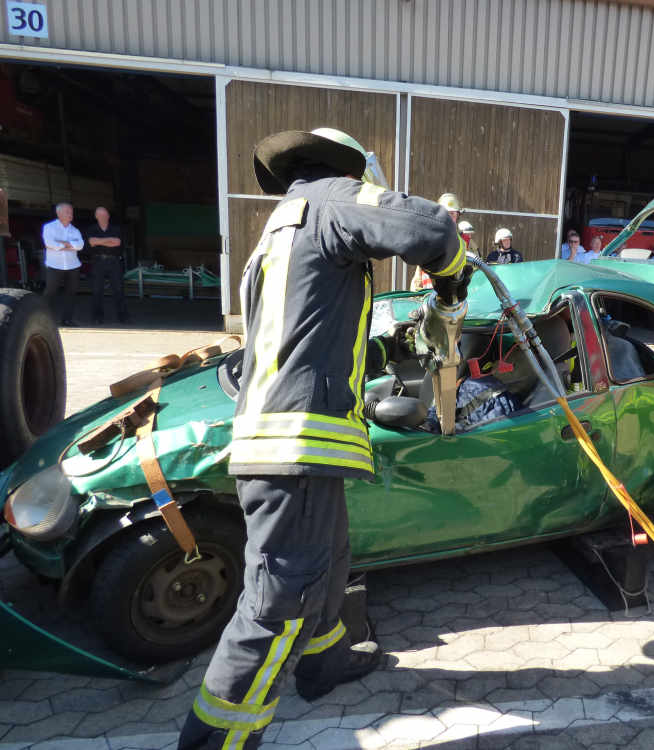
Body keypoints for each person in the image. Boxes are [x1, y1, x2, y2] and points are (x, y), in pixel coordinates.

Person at [178, 127, 469, 750]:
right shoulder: (334, 199)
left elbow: (307, 333)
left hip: (281, 437)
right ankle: (214, 739)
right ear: (351, 169)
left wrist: (379, 349)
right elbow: (435, 231)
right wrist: (451, 283)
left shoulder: (280, 230)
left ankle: (325, 660)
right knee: (279, 599)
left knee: (331, 559)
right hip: (295, 446)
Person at [410, 192, 469, 291]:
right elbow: (418, 279)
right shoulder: (429, 240)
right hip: (428, 297)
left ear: (458, 216)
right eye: (446, 214)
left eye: (452, 214)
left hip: (454, 300)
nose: (449, 218)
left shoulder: (464, 243)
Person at [41, 202, 84, 326]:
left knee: (71, 293)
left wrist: (61, 244)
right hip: (54, 265)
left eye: (71, 212)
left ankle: (67, 319)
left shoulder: (75, 230)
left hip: (73, 266)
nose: (71, 214)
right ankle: (43, 320)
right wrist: (70, 245)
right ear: (58, 213)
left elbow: (80, 246)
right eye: (67, 212)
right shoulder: (49, 227)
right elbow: (49, 243)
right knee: (50, 293)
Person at [85, 206, 128, 324]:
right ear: (96, 217)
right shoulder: (91, 229)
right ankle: (97, 317)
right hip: (98, 262)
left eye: (105, 215)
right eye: (100, 215)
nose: (103, 217)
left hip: (114, 261)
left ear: (108, 216)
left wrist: (99, 241)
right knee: (97, 290)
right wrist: (109, 240)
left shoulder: (116, 229)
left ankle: (123, 317)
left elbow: (118, 243)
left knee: (119, 289)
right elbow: (91, 242)